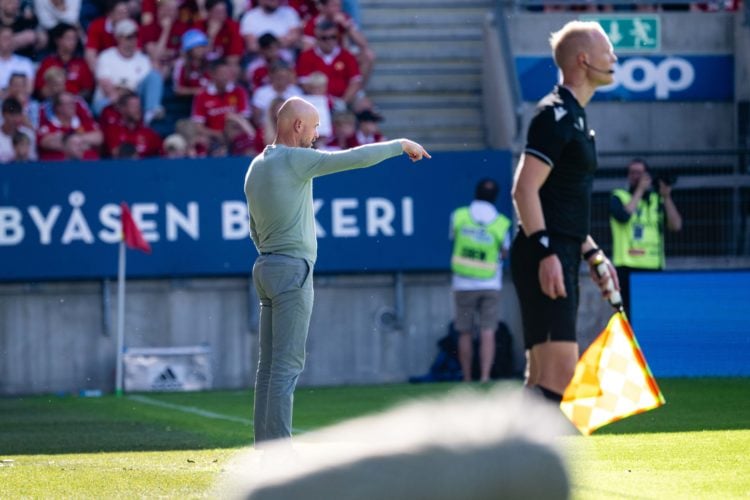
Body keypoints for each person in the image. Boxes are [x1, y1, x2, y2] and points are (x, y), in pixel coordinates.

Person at [244, 96, 430, 444]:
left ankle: (265, 447)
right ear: (298, 126)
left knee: (268, 369)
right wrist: (399, 145)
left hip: (265, 267)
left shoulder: (257, 164)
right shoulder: (295, 160)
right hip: (292, 269)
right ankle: (279, 454)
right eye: (314, 127)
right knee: (286, 368)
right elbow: (352, 159)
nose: (317, 135)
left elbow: (253, 228)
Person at [510, 21, 619, 404]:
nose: (615, 58)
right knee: (559, 381)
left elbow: (561, 201)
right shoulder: (554, 114)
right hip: (546, 252)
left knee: (541, 381)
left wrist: (592, 252)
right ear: (585, 60)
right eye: (608, 51)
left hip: (561, 248)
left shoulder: (575, 117)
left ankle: (504, 462)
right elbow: (524, 189)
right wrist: (546, 252)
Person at [450, 178, 511, 383]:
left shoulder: (459, 216)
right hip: (490, 284)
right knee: (488, 332)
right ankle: (484, 377)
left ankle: (467, 377)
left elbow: (453, 237)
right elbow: (504, 252)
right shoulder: (501, 222)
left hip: (463, 283)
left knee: (464, 332)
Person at [609, 158, 682, 317]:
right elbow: (623, 216)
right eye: (633, 172)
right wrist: (640, 191)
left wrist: (666, 197)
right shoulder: (619, 197)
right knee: (627, 315)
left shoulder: (657, 200)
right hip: (626, 267)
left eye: (640, 173)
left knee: (653, 315)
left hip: (653, 267)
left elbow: (676, 225)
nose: (636, 176)